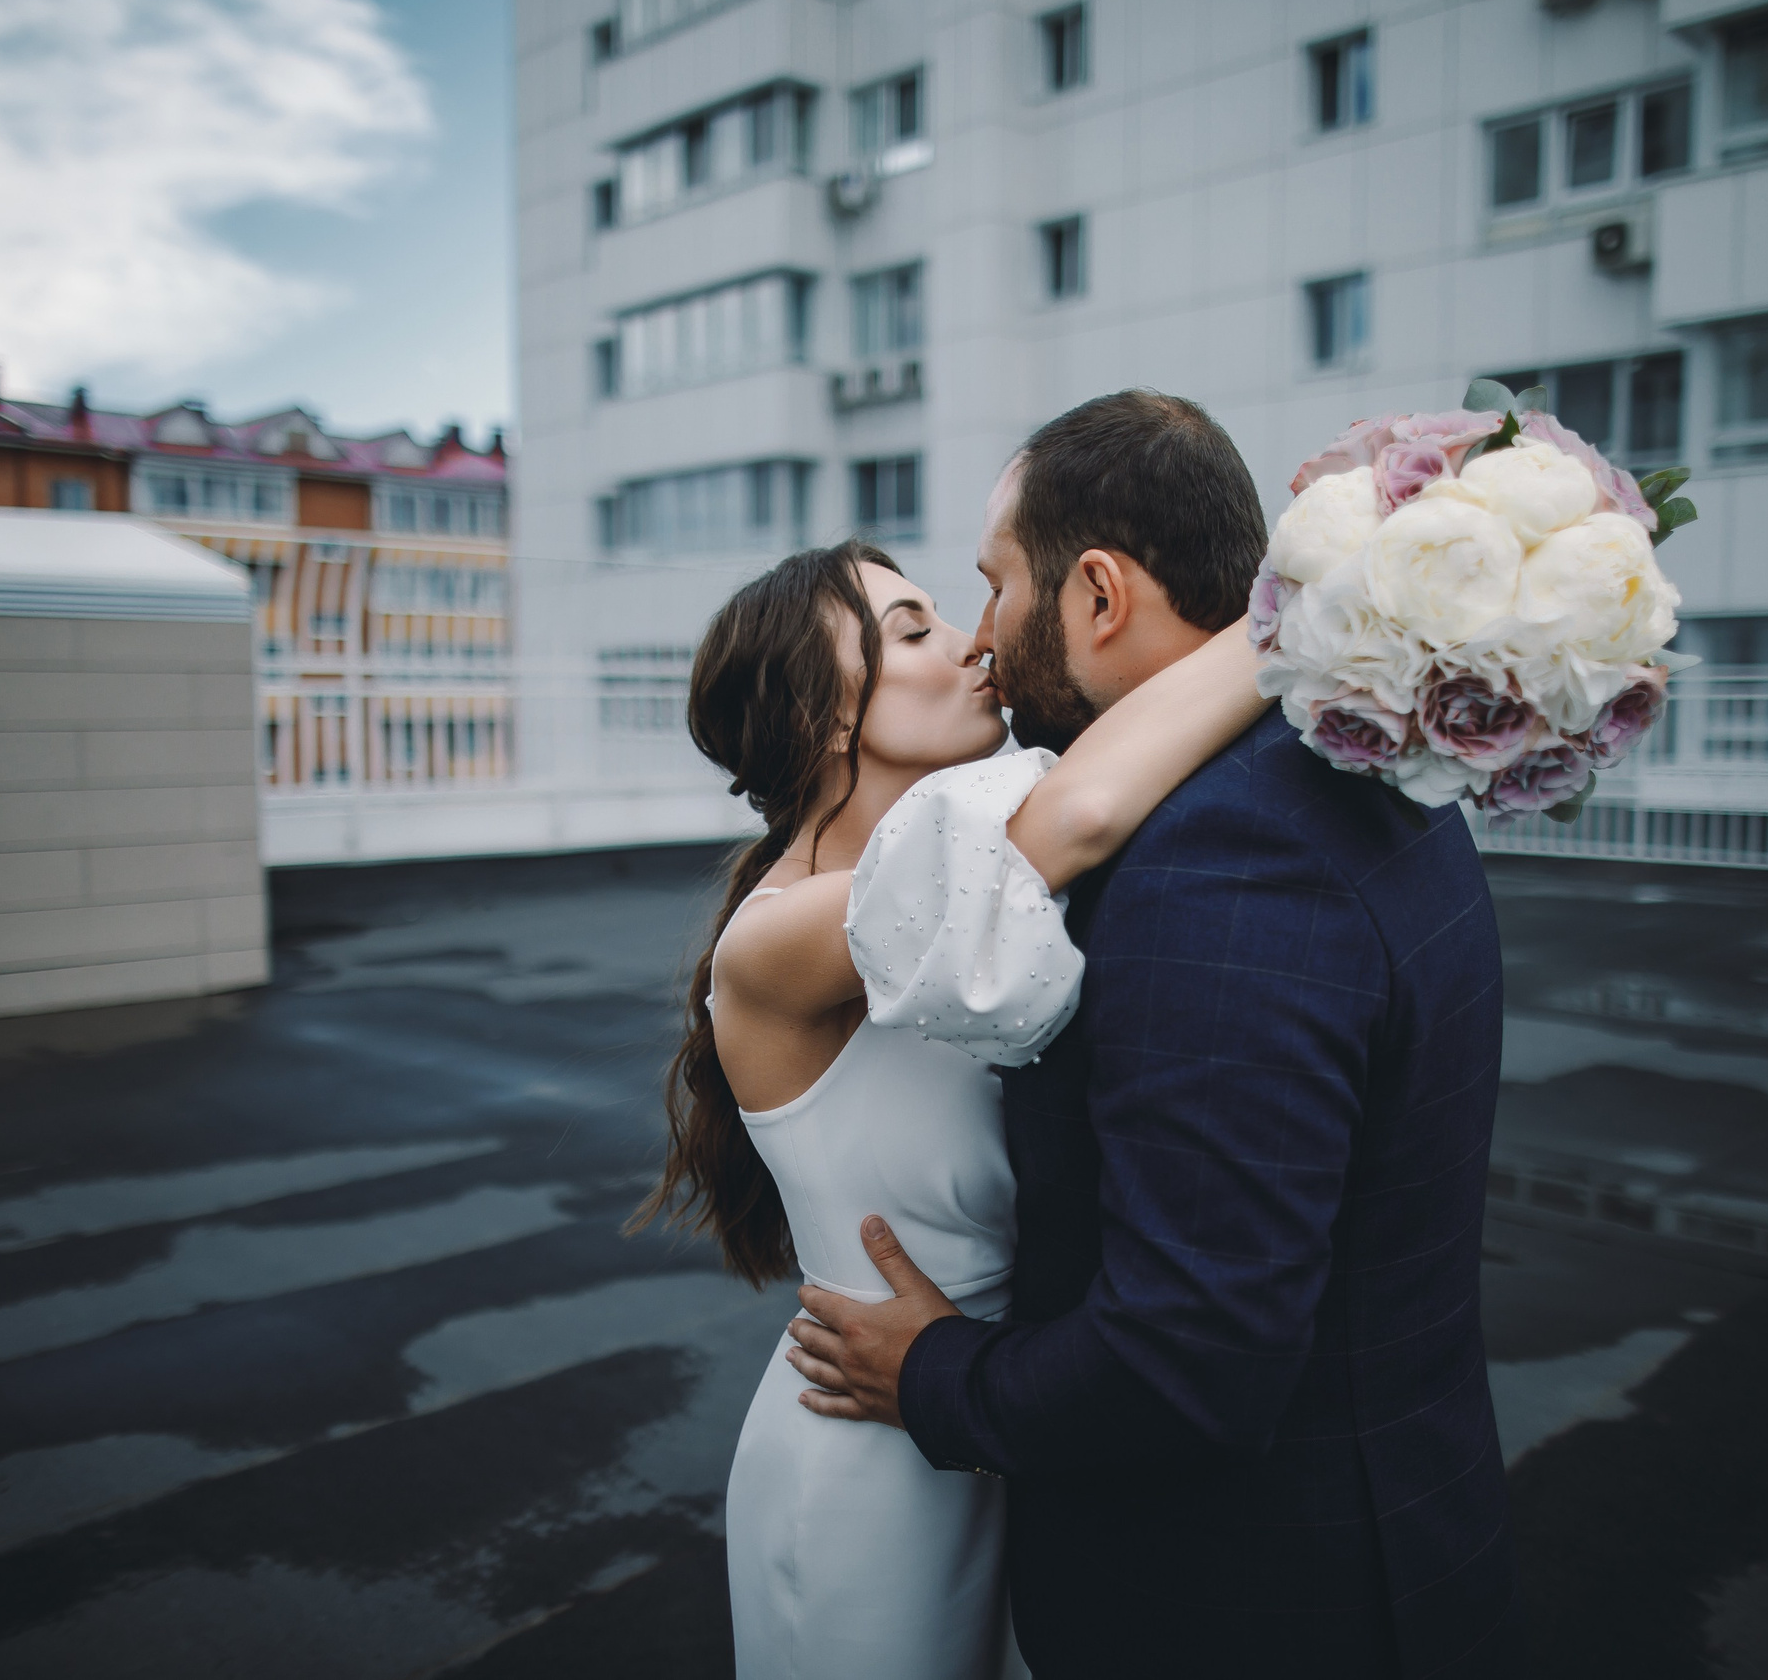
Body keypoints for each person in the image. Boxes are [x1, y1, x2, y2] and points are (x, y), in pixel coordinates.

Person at [786, 391, 1518, 1677]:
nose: (982, 639)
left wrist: (936, 1378)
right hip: (1385, 1534)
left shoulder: (1219, 863)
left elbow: (1190, 1355)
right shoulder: (1354, 769)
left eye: (994, 586)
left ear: (1101, 597)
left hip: (1252, 1604)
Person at [639, 523, 1269, 1678]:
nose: (974, 645)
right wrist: (1319, 609)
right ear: (825, 714)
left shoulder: (968, 881)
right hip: (867, 1458)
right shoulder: (776, 941)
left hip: (991, 1418)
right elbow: (1080, 814)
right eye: (912, 629)